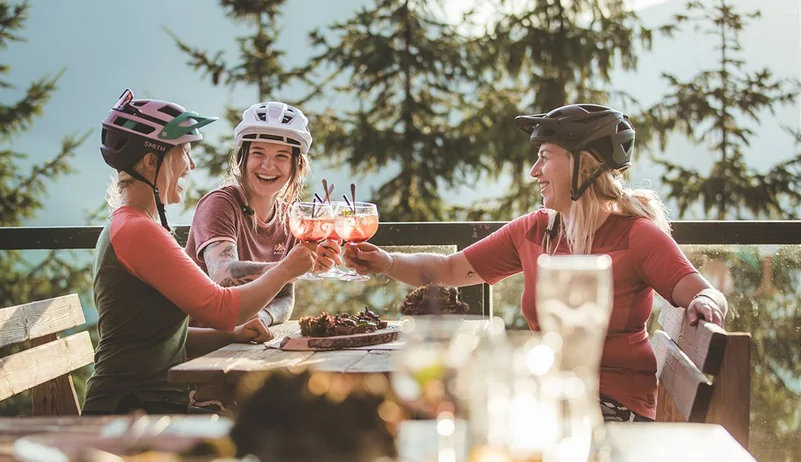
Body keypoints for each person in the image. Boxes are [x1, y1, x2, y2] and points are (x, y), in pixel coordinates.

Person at [343, 103, 729, 422]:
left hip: (612, 409)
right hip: (551, 397)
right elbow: (449, 270)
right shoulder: (536, 230)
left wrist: (708, 303)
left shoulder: (636, 235)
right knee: (438, 411)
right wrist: (386, 261)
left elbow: (704, 293)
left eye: (544, 158)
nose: (534, 171)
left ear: (585, 164)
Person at [83, 89, 319, 415]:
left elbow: (163, 339)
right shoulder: (139, 231)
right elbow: (223, 308)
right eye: (184, 153)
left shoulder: (135, 224)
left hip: (148, 402)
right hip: (131, 410)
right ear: (152, 161)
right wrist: (289, 268)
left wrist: (232, 335)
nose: (191, 165)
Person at [185, 101, 336, 327]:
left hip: (244, 340)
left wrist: (263, 318)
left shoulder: (290, 219)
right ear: (242, 159)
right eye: (258, 153)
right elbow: (222, 273)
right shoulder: (219, 204)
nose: (268, 165)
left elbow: (284, 296)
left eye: (281, 156)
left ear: (297, 166)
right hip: (203, 341)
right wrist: (289, 268)